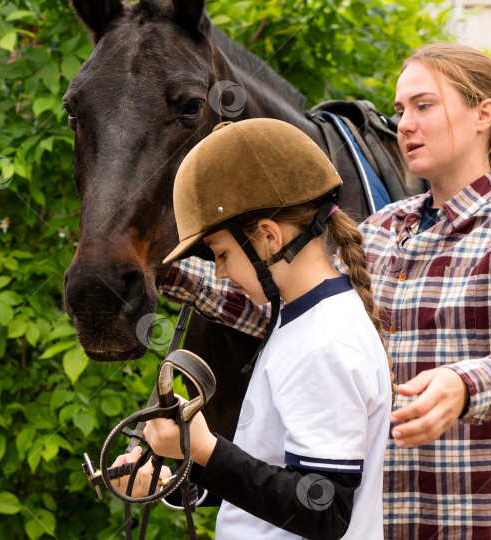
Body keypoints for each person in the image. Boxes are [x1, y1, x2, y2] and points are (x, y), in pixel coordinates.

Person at [157, 43, 491, 539]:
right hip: (378, 524)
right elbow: (284, 307)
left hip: (476, 522)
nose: (404, 124)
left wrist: (465, 386)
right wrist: (163, 271)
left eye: (424, 105)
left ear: (483, 113)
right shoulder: (383, 229)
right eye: (399, 110)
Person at [112, 118, 394, 539]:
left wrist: (204, 449)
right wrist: (176, 474)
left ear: (268, 237)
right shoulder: (298, 318)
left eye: (221, 254)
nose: (221, 272)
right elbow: (272, 475)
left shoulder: (326, 343)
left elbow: (326, 510)